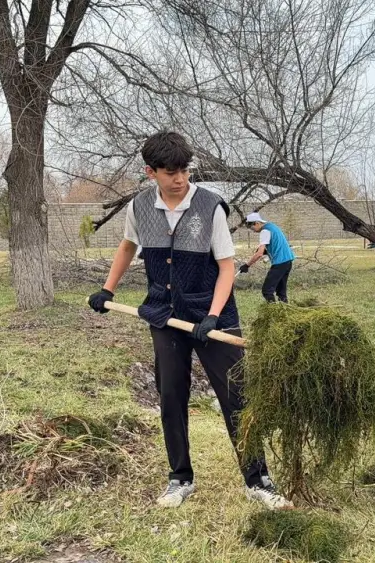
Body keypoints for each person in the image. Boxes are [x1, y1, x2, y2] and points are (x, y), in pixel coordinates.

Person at [87, 131, 291, 510]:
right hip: (164, 315)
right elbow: (128, 246)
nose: (180, 179)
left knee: (237, 397)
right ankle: (180, 477)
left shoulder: (210, 206)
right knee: (171, 396)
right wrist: (107, 290)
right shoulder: (139, 207)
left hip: (214, 314)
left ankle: (257, 478)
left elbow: (226, 268)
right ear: (151, 172)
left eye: (184, 170)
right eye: (170, 172)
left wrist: (213, 317)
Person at [238, 212, 294, 303]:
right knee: (281, 292)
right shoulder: (272, 226)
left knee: (267, 291)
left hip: (280, 263)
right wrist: (266, 251)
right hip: (288, 261)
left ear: (257, 223)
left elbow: (259, 254)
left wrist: (247, 265)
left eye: (252, 228)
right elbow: (276, 244)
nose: (253, 231)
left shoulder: (265, 231)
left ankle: (272, 312)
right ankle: (285, 313)